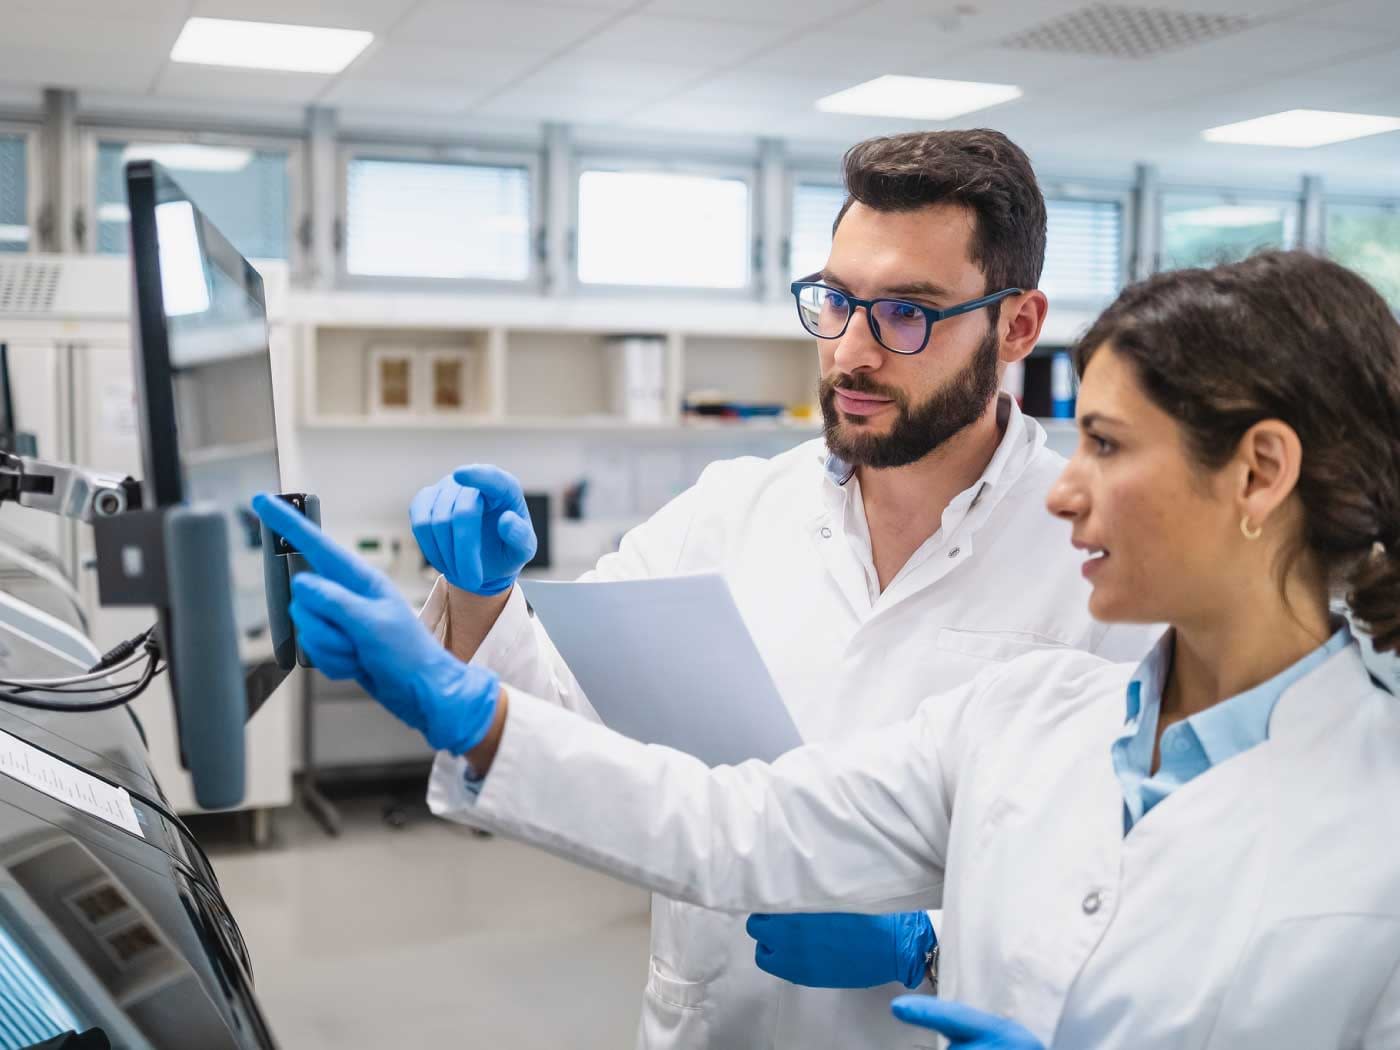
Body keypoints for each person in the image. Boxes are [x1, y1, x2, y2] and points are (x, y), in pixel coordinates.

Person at [255, 249, 1400, 1048]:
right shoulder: (1030, 714)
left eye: (1104, 444)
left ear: (1257, 473)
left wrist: (922, 944)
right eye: (835, 303)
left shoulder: (1372, 820)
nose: (1066, 491)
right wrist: (469, 704)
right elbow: (732, 823)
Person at [403, 128, 1153, 1050]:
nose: (852, 353)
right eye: (836, 300)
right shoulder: (732, 510)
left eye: (907, 313)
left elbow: (1145, 868)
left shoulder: (1102, 555)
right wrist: (484, 598)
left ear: (1018, 327)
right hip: (719, 1019)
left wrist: (930, 940)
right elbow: (564, 722)